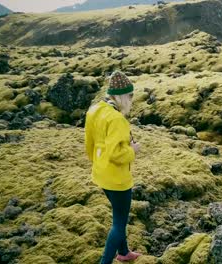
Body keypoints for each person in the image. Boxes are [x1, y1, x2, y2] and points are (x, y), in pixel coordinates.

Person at [85, 71, 141, 263]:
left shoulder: (96, 110)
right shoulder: (117, 119)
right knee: (119, 223)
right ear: (123, 96)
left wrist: (97, 164)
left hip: (101, 173)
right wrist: (133, 150)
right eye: (130, 96)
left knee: (118, 215)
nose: (132, 100)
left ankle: (124, 252)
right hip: (117, 178)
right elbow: (116, 154)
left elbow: (89, 143)